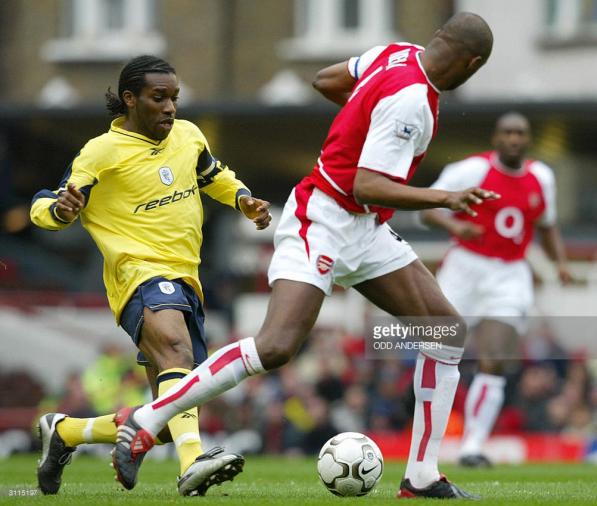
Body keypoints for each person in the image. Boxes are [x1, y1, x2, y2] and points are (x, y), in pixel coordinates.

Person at [111, 12, 495, 499]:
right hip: (325, 217)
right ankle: (148, 419)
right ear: (472, 63)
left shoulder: (395, 53)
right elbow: (367, 182)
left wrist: (361, 116)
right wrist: (443, 197)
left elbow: (325, 79)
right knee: (275, 346)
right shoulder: (412, 102)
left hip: (365, 227)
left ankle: (422, 476)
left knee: (445, 333)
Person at [30, 55, 271, 496]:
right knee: (178, 352)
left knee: (167, 412)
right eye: (159, 98)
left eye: (174, 98)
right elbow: (45, 203)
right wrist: (60, 211)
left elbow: (212, 174)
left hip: (187, 278)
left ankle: (64, 433)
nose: (170, 107)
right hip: (137, 275)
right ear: (130, 99)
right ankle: (192, 464)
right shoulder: (101, 152)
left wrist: (241, 199)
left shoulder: (188, 135)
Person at [421, 112, 572, 467]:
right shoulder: (470, 170)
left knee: (496, 358)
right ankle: (427, 433)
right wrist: (457, 228)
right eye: (508, 132)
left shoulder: (541, 178)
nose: (514, 139)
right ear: (496, 138)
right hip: (465, 267)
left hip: (510, 273)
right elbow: (428, 209)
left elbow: (546, 226)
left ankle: (473, 445)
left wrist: (560, 263)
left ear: (528, 139)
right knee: (439, 351)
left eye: (520, 133)